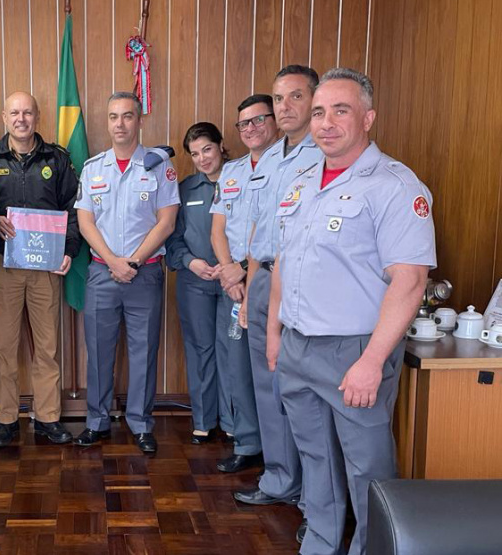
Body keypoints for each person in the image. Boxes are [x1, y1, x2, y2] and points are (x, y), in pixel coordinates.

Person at [267, 68, 435, 555]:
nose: (326, 122)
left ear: (368, 118)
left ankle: (373, 550)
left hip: (354, 352)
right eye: (319, 111)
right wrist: (275, 333)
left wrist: (370, 360)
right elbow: (284, 261)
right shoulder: (299, 182)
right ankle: (320, 544)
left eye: (341, 110)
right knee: (314, 458)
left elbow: (410, 281)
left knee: (367, 469)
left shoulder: (396, 187)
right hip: (298, 346)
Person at [235, 65, 323, 543]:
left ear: (315, 100)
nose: (285, 108)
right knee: (268, 388)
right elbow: (255, 232)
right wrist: (250, 291)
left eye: (295, 98)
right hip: (265, 277)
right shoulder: (268, 159)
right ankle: (280, 479)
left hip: (304, 286)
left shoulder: (323, 155)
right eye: (279, 98)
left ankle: (316, 500)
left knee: (305, 396)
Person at [73, 92, 180, 454]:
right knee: (99, 351)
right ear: (107, 122)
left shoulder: (159, 166)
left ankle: (140, 423)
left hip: (144, 273)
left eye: (128, 116)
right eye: (114, 117)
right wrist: (114, 262)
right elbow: (86, 222)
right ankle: (97, 421)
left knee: (144, 351)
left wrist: (132, 262)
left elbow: (166, 222)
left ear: (140, 121)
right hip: (103, 273)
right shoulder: (93, 168)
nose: (120, 124)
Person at [0, 92, 79, 447]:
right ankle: (6, 419)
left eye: (28, 112)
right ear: (4, 116)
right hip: (3, 262)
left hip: (47, 267)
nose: (21, 119)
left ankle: (49, 417)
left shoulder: (57, 159)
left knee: (47, 346)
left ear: (38, 116)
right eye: (15, 112)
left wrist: (70, 250)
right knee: (5, 345)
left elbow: (73, 208)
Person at [208, 94, 278, 473]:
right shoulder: (232, 171)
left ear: (274, 122)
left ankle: (278, 453)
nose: (250, 129)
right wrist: (229, 272)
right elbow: (218, 228)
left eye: (258, 120)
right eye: (243, 124)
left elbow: (279, 232)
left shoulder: (291, 166)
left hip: (268, 280)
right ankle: (248, 441)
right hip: (232, 286)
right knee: (238, 366)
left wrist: (243, 271)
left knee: (271, 370)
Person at [166, 122, 235, 445]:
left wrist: (234, 267)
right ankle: (204, 419)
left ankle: (236, 421)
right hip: (195, 283)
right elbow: (173, 239)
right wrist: (191, 262)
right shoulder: (185, 189)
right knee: (200, 350)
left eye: (207, 149)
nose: (203, 158)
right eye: (195, 154)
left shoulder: (242, 181)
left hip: (235, 282)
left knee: (232, 351)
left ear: (221, 146)